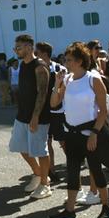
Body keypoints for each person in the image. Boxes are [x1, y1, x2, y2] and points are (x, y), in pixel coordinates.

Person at [48, 42, 109, 218]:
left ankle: (107, 207)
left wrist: (94, 133)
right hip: (71, 132)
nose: (65, 63)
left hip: (90, 132)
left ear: (81, 61)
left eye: (69, 60)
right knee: (72, 171)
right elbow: (53, 104)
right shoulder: (66, 80)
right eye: (65, 60)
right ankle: (69, 211)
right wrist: (56, 85)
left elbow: (103, 111)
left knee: (96, 170)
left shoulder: (93, 79)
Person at [9, 34, 52, 199]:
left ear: (28, 47)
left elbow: (42, 94)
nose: (16, 51)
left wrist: (35, 117)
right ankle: (39, 174)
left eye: (18, 48)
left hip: (37, 117)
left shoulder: (40, 66)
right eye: (15, 48)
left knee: (40, 150)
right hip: (22, 115)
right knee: (19, 146)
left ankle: (45, 184)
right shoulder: (22, 65)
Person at [35, 42, 64, 183]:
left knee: (64, 142)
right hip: (43, 111)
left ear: (44, 54)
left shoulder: (59, 69)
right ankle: (51, 171)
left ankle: (73, 165)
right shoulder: (36, 68)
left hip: (58, 112)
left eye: (37, 52)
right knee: (47, 142)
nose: (35, 55)